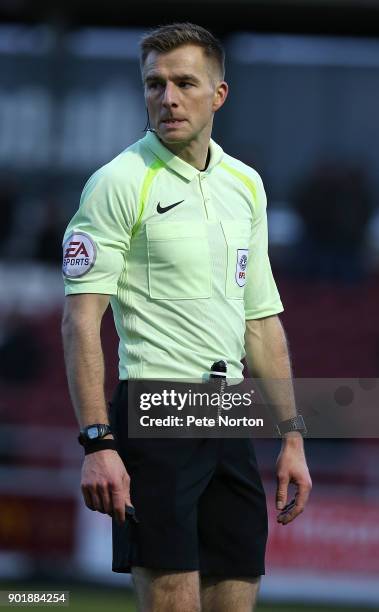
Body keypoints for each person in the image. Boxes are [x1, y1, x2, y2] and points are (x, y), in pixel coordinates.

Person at [61, 23, 312, 612]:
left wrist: (293, 436)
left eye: (183, 83)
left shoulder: (245, 184)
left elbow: (261, 321)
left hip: (229, 410)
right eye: (154, 84)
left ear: (218, 94)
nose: (166, 97)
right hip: (156, 410)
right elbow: (80, 323)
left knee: (235, 597)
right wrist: (97, 441)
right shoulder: (118, 182)